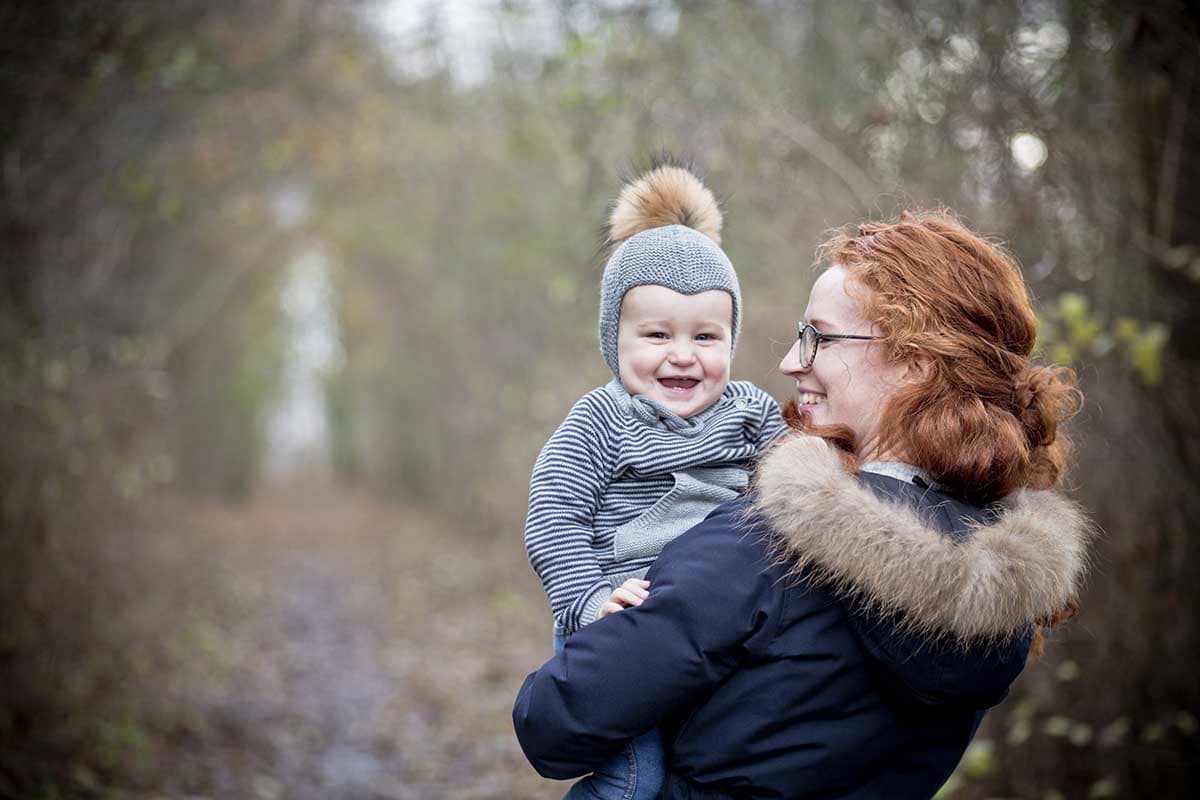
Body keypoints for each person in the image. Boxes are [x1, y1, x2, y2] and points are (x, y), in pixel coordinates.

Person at [514, 209, 1094, 799]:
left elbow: (554, 723)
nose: (791, 361)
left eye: (818, 336)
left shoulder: (764, 543)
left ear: (916, 365)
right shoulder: (999, 588)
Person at [522, 160, 789, 800]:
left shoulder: (750, 411)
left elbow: (800, 481)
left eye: (706, 335)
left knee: (701, 762)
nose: (682, 354)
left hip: (708, 625)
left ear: (732, 338)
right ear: (615, 339)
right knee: (633, 782)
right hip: (619, 616)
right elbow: (552, 513)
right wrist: (587, 600)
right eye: (656, 334)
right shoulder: (602, 418)